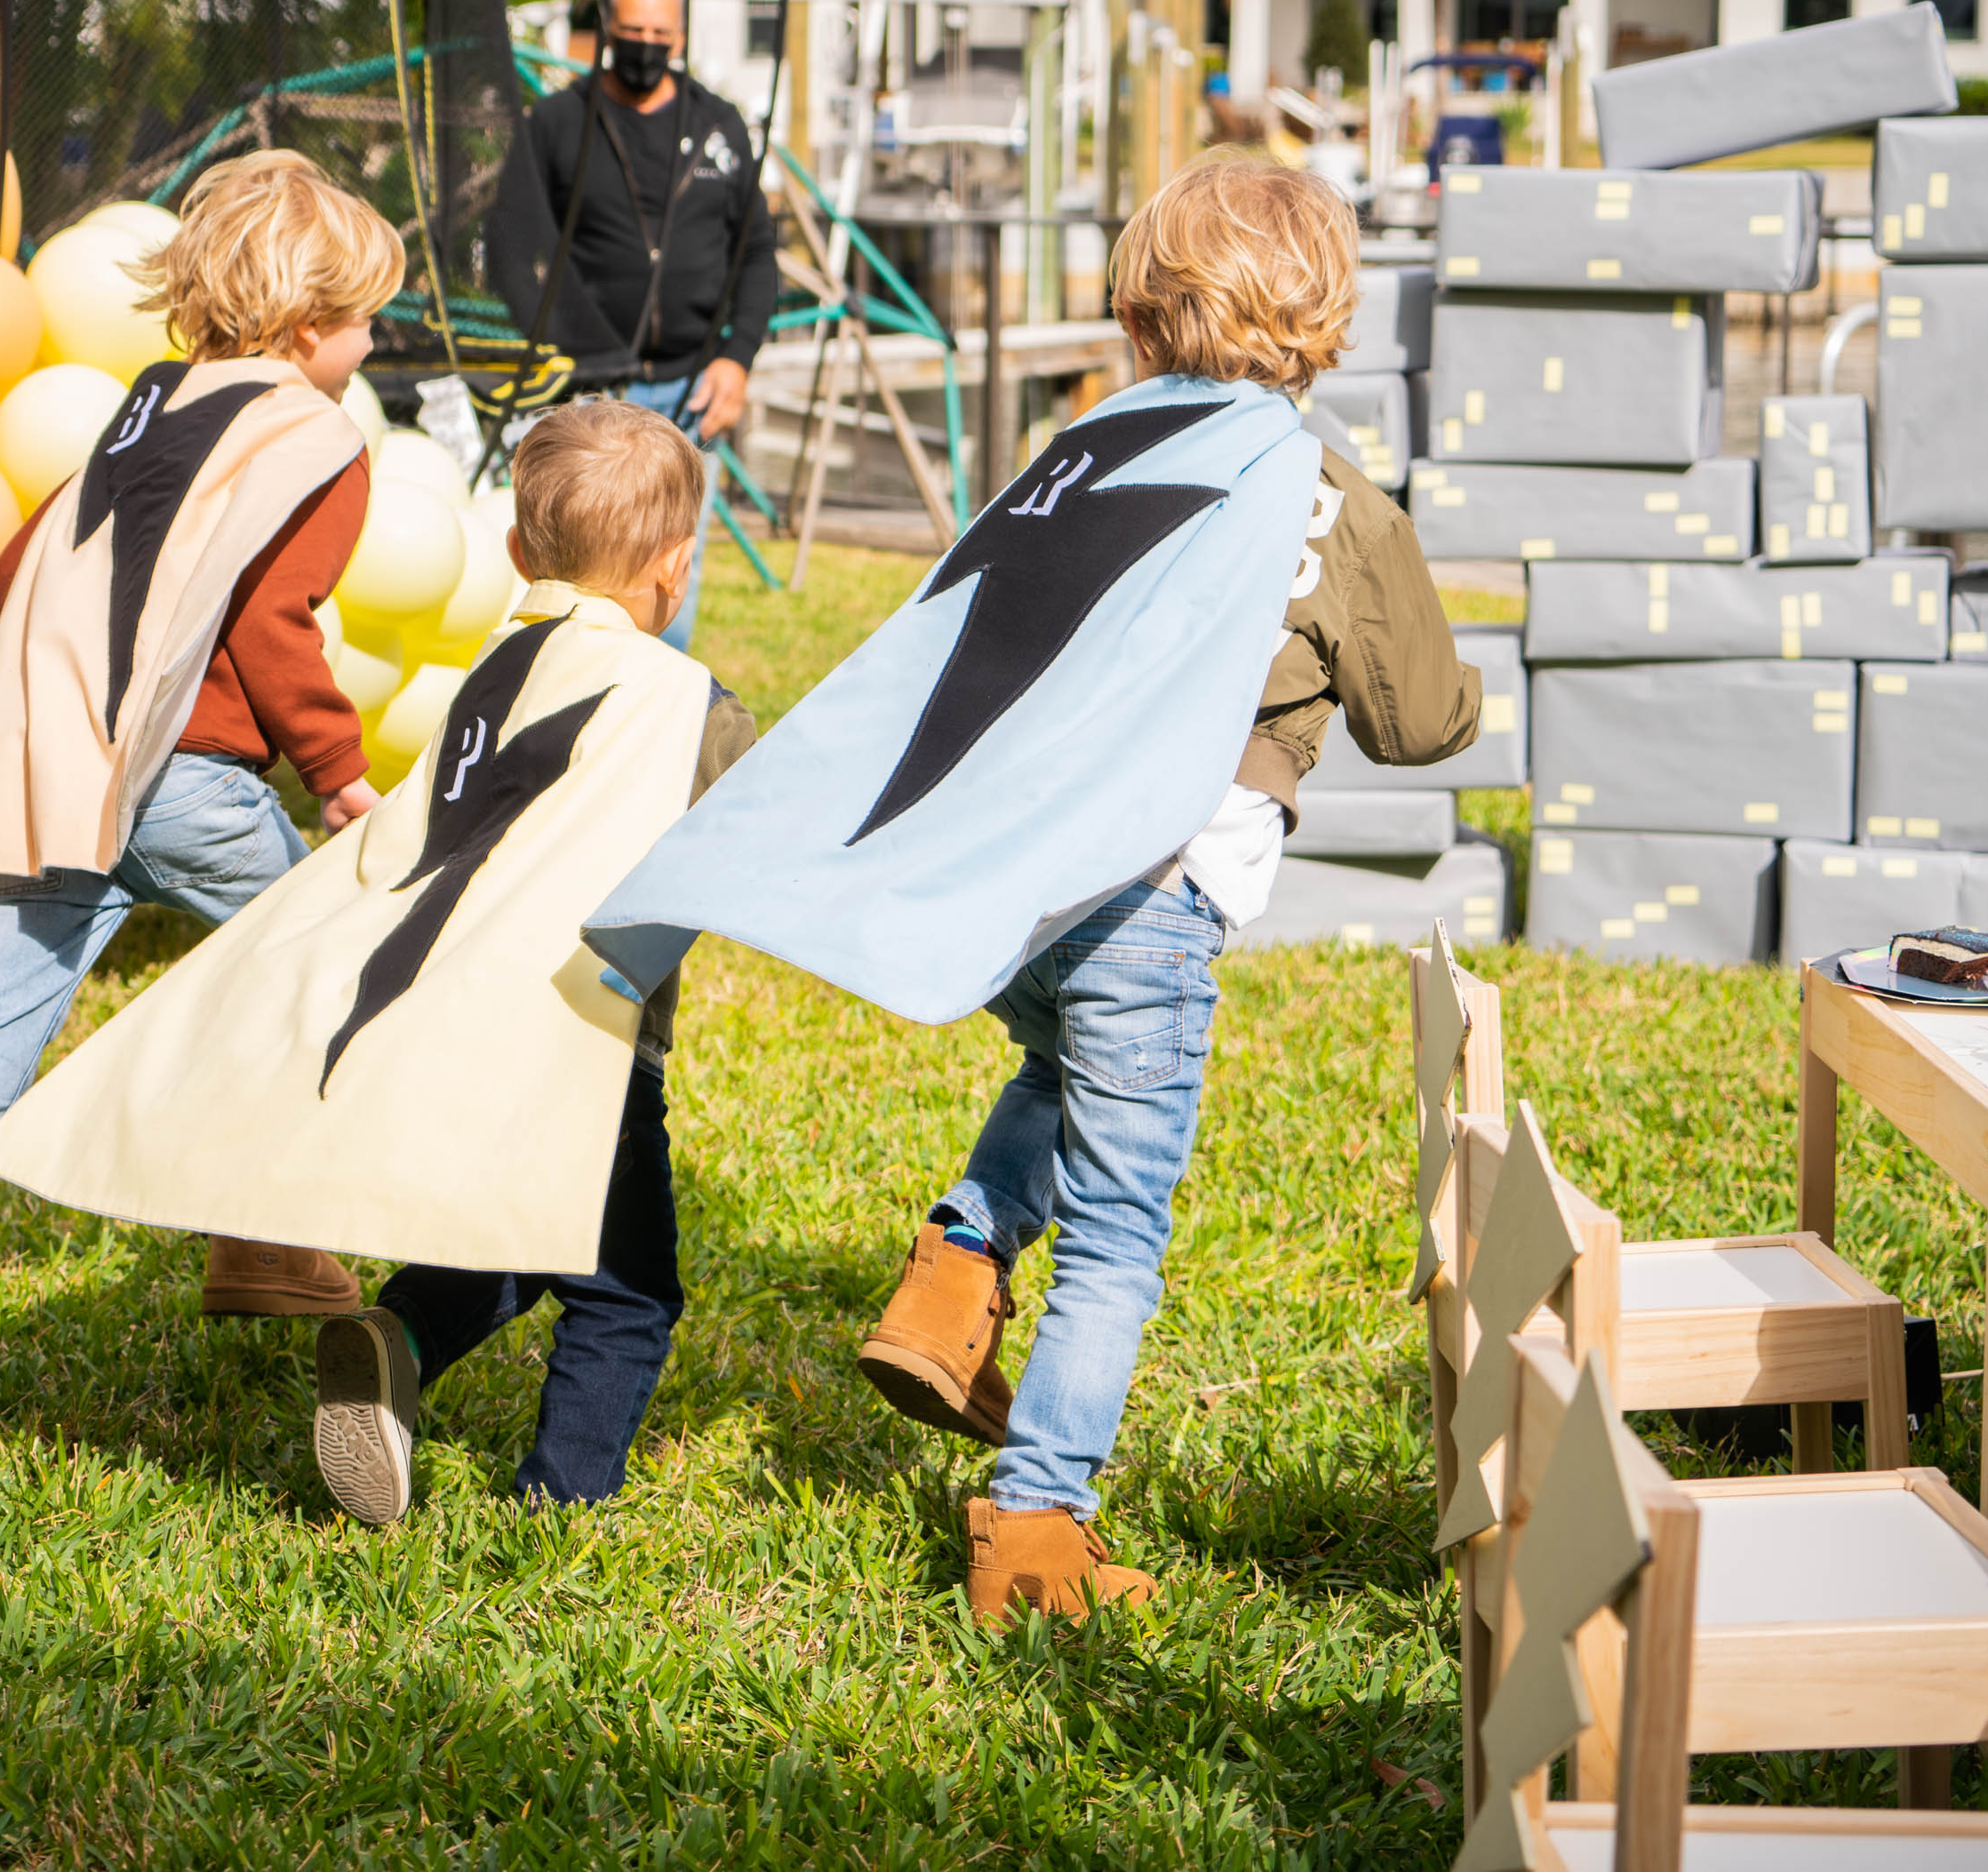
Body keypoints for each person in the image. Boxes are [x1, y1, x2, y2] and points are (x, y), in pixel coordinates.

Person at [583, 158, 1481, 1619]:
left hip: (1017, 890)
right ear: (1329, 315)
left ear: (1135, 313)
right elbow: (1422, 722)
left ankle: (955, 1266)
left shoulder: (1080, 456)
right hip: (1152, 897)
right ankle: (1034, 1524)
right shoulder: (1326, 503)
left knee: (1060, 1066)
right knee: (1119, 1231)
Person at [0, 151, 400, 1469]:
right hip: (193, 785)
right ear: (305, 326)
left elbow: (13, 565)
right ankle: (261, 1230)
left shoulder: (146, 407)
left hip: (53, 781)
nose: (373, 345)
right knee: (331, 969)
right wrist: (337, 773)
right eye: (364, 320)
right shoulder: (319, 441)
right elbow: (274, 625)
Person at [309, 401, 755, 1520]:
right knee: (626, 1292)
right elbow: (757, 835)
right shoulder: (687, 704)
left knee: (526, 1220)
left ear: (515, 550)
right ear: (675, 566)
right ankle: (558, 1504)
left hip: (453, 1012)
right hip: (585, 1039)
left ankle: (402, 1331)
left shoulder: (491, 673)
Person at [485, 0, 777, 651]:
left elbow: (758, 253)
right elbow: (506, 247)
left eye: (659, 33)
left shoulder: (718, 126)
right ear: (607, 31)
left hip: (690, 385)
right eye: (632, 30)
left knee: (671, 567)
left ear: (680, 38)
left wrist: (736, 359)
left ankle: (657, 689)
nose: (646, 45)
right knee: (583, 560)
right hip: (590, 389)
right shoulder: (560, 122)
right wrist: (558, 346)